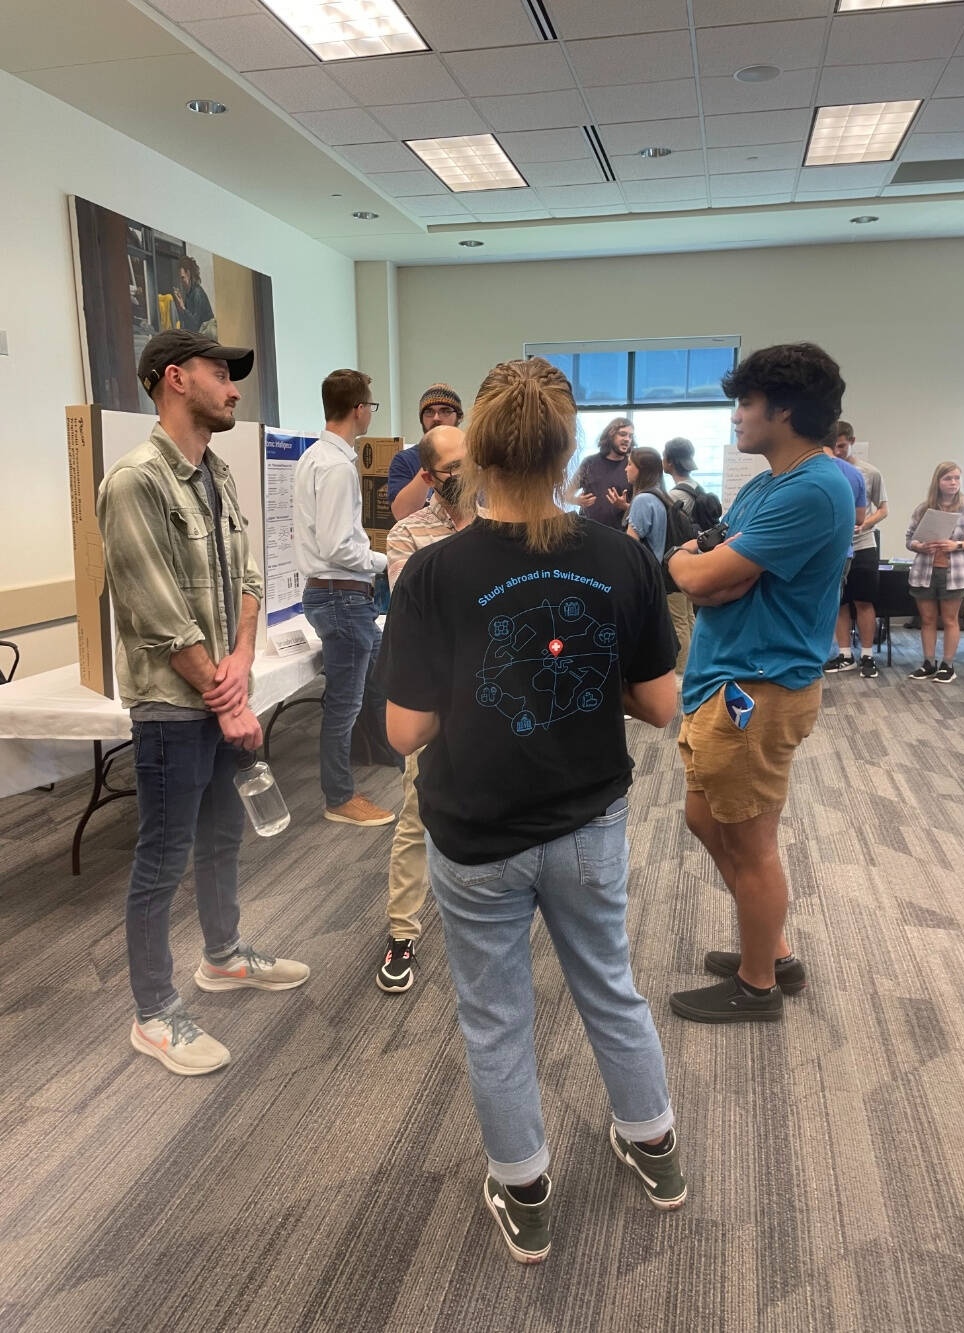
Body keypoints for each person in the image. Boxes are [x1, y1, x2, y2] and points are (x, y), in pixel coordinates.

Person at [379, 359, 684, 1266]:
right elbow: (662, 702)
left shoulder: (433, 573)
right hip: (588, 825)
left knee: (496, 1017)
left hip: (475, 838)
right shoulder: (619, 555)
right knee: (611, 987)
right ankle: (656, 1148)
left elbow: (403, 731)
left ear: (472, 447)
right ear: (568, 453)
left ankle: (525, 1189)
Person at [96, 329, 310, 1076]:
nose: (234, 387)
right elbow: (156, 611)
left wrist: (243, 660)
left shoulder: (216, 474)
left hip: (222, 695)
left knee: (222, 837)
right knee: (160, 856)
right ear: (175, 378)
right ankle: (153, 1012)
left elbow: (250, 581)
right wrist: (224, 696)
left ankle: (222, 955)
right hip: (171, 708)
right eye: (222, 373)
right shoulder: (134, 482)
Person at [663, 343, 854, 1024]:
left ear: (785, 409)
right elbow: (721, 569)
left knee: (751, 842)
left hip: (759, 686)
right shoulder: (769, 482)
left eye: (746, 403)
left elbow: (708, 576)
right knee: (704, 817)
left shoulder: (815, 486)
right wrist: (707, 563)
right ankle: (770, 947)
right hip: (727, 680)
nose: (737, 415)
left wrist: (691, 561)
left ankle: (759, 984)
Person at [376, 425, 473, 993]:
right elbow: (416, 620)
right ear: (430, 475)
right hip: (436, 700)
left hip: (494, 693)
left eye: (471, 462)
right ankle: (402, 933)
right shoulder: (408, 535)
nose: (464, 475)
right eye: (452, 466)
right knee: (416, 815)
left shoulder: (499, 524)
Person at [294, 369, 395, 827]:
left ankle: (388, 754)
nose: (370, 413)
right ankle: (339, 798)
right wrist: (387, 560)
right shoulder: (336, 466)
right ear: (359, 409)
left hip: (334, 595)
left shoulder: (316, 457)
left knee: (374, 679)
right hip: (341, 595)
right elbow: (339, 547)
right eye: (371, 406)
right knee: (344, 703)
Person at [905, 461, 964, 683]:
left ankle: (947, 665)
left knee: (951, 619)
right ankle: (928, 662)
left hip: (955, 573)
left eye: (957, 478)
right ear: (938, 481)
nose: (953, 483)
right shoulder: (924, 509)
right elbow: (910, 539)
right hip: (925, 571)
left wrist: (958, 545)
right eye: (948, 478)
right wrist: (920, 546)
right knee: (927, 619)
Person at [825, 421, 889, 679]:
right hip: (836, 548)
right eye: (834, 446)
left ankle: (867, 655)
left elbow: (883, 509)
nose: (838, 451)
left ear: (852, 441)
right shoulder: (827, 470)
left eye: (842, 446)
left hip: (863, 545)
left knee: (864, 600)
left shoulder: (869, 472)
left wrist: (863, 524)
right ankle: (844, 654)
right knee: (840, 602)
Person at [638, 446, 695, 670]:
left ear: (669, 461)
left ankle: (682, 670)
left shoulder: (670, 495)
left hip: (672, 567)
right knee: (688, 617)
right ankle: (691, 664)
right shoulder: (692, 488)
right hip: (689, 559)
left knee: (678, 620)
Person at [388, 384, 464, 520]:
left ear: (459, 417)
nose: (436, 418)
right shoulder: (404, 460)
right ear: (422, 419)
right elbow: (402, 514)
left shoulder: (473, 457)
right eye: (429, 411)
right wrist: (430, 459)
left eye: (445, 410)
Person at [566, 417, 633, 527]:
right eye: (622, 434)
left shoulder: (632, 466)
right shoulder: (590, 462)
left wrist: (625, 506)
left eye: (630, 436)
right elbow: (566, 495)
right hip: (589, 531)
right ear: (610, 435)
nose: (627, 439)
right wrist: (577, 500)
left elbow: (641, 508)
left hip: (620, 534)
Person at [172, 256, 215, 335]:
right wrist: (180, 306)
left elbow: (194, 324)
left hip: (205, 339)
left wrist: (183, 307)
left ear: (188, 274)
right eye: (180, 278)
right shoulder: (189, 294)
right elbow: (185, 323)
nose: (181, 282)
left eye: (182, 278)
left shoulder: (197, 293)